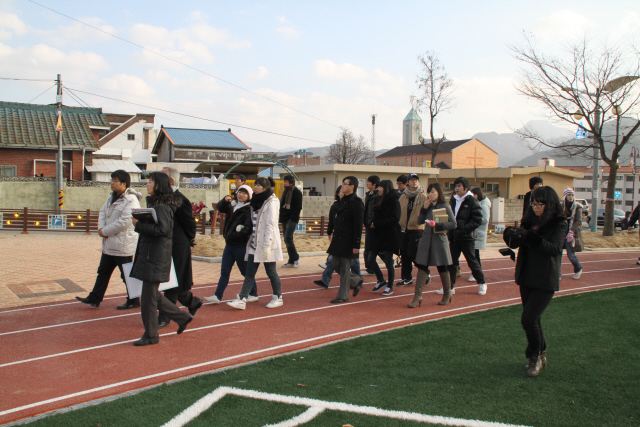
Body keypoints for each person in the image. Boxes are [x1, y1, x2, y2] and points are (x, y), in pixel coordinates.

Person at [504, 186, 567, 376]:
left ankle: (534, 356)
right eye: (533, 204)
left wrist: (529, 236)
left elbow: (554, 248)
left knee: (528, 319)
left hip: (545, 277)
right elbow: (519, 241)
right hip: (527, 275)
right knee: (534, 319)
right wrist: (512, 236)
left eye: (540, 204)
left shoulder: (559, 223)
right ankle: (541, 352)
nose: (535, 207)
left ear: (549, 204)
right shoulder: (529, 221)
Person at [130, 172, 193, 346]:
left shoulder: (162, 206)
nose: (147, 184)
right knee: (153, 296)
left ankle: (151, 335)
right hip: (152, 254)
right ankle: (182, 317)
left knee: (148, 301)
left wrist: (138, 225)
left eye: (150, 181)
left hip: (156, 256)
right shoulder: (157, 204)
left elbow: (162, 230)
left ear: (159, 185)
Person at [76, 170, 143, 309]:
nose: (112, 183)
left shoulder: (131, 200)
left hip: (122, 245)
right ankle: (95, 298)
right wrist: (101, 229)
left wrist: (105, 231)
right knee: (103, 271)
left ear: (124, 184)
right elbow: (102, 212)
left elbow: (125, 221)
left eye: (115, 180)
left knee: (126, 275)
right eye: (111, 180)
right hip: (109, 243)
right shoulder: (111, 197)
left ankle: (134, 300)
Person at [157, 168, 204, 329]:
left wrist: (187, 240)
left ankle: (165, 317)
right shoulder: (161, 198)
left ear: (170, 181)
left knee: (172, 282)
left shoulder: (180, 200)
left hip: (177, 246)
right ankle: (193, 302)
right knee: (173, 282)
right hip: (164, 245)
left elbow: (190, 224)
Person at [228, 177, 284, 310]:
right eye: (255, 185)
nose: (256, 187)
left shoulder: (272, 202)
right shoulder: (255, 201)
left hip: (266, 243)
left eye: (258, 185)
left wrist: (267, 245)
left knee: (271, 272)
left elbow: (271, 224)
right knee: (249, 273)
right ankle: (242, 299)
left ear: (265, 187)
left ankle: (278, 297)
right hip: (254, 242)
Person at [204, 185, 257, 304]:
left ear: (249, 196)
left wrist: (233, 236)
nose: (241, 195)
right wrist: (225, 199)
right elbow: (219, 207)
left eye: (244, 193)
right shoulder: (232, 205)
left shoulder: (248, 209)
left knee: (245, 272)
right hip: (229, 246)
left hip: (240, 246)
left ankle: (254, 293)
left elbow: (247, 229)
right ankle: (217, 296)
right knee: (225, 271)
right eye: (240, 192)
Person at [410, 182, 456, 307]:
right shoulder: (428, 205)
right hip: (426, 240)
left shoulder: (445, 206)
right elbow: (419, 221)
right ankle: (418, 296)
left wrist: (437, 225)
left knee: (442, 267)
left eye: (433, 192)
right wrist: (424, 208)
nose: (430, 194)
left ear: (439, 193)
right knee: (422, 266)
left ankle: (447, 293)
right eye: (429, 192)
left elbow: (453, 223)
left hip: (439, 240)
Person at [441, 177, 487, 296]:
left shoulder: (472, 201)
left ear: (466, 188)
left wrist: (464, 229)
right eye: (455, 186)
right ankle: (450, 287)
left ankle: (482, 283)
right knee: (451, 262)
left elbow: (477, 220)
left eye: (459, 186)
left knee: (472, 261)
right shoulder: (453, 200)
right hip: (454, 237)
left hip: (467, 237)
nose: (456, 188)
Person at [313, 186, 361, 288]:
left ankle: (357, 279)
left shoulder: (354, 204)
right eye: (341, 192)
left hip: (347, 237)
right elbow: (331, 220)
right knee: (333, 260)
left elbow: (357, 224)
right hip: (337, 236)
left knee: (353, 261)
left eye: (344, 192)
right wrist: (329, 232)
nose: (342, 194)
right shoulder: (335, 206)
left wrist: (356, 242)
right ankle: (325, 280)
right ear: (338, 194)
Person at [327, 176, 365, 303]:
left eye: (345, 183)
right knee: (335, 264)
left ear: (352, 186)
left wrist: (356, 244)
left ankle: (343, 295)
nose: (342, 185)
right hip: (338, 239)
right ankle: (356, 280)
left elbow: (358, 225)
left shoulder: (357, 203)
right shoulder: (342, 200)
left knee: (344, 268)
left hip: (348, 240)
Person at [369, 180, 401, 296]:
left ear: (386, 188)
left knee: (388, 261)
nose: (379, 189)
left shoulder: (394, 201)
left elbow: (395, 218)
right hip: (377, 234)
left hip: (389, 234)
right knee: (370, 258)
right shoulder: (377, 199)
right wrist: (371, 223)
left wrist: (378, 223)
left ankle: (390, 285)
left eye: (381, 187)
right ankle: (381, 280)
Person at [397, 173, 428, 288]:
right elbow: (399, 211)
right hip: (404, 229)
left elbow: (427, 211)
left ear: (418, 182)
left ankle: (425, 272)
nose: (414, 182)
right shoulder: (403, 197)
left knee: (413, 253)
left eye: (416, 180)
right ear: (408, 182)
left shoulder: (423, 196)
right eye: (412, 180)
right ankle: (406, 278)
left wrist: (423, 224)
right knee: (404, 255)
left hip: (417, 229)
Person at [467, 187, 491, 282]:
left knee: (475, 255)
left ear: (477, 195)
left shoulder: (484, 205)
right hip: (475, 232)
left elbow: (485, 220)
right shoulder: (477, 203)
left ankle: (476, 273)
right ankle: (476, 273)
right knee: (474, 254)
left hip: (479, 232)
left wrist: (474, 219)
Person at [280, 175, 303, 268]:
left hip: (292, 219)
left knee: (288, 238)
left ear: (291, 182)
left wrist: (293, 217)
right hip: (284, 218)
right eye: (284, 181)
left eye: (286, 182)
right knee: (287, 239)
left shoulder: (297, 192)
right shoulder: (285, 192)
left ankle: (295, 258)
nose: (284, 183)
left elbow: (298, 207)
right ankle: (291, 260)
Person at [561, 187, 583, 279]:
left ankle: (578, 268)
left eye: (572, 195)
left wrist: (572, 231)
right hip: (561, 232)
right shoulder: (561, 206)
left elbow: (578, 220)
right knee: (558, 254)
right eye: (569, 195)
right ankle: (557, 273)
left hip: (570, 233)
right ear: (565, 196)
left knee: (570, 254)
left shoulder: (577, 207)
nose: (571, 197)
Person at [362, 175, 380, 276]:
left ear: (374, 184)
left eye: (368, 182)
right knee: (368, 247)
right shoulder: (368, 195)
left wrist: (375, 222)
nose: (367, 183)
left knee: (376, 248)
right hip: (368, 225)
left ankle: (387, 262)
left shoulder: (378, 195)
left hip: (376, 225)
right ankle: (369, 268)